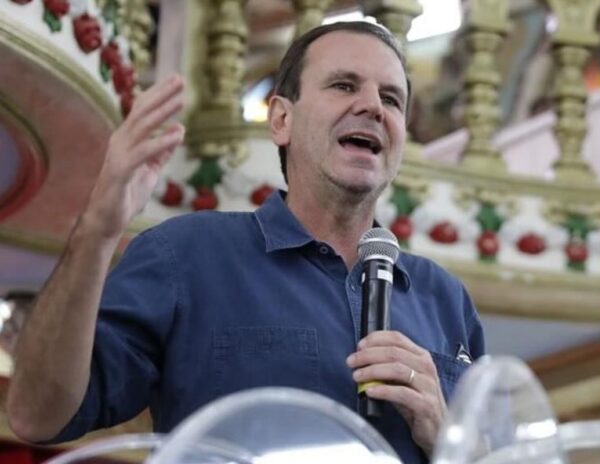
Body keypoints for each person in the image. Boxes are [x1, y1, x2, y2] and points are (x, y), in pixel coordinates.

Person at [7, 22, 484, 463]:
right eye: (344, 85)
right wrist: (96, 230)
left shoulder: (446, 299)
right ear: (281, 120)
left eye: (392, 98)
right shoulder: (185, 256)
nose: (373, 107)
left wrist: (448, 435)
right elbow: (37, 416)